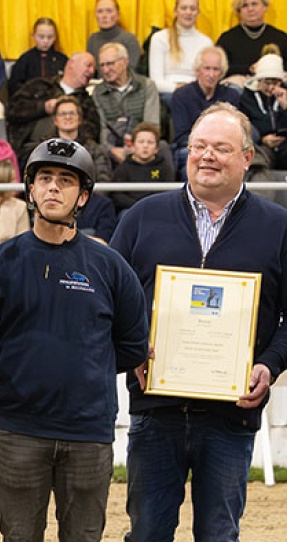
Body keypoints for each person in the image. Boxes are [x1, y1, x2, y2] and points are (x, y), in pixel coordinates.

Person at [0, 137, 149, 541]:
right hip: (18, 431)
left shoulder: (110, 267)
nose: (54, 187)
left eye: (65, 180)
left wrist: (82, 371)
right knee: (19, 536)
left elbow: (132, 346)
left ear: (83, 196)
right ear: (31, 189)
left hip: (88, 433)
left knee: (84, 537)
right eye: (45, 179)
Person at [110, 102, 287, 542]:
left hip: (231, 418)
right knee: (147, 533)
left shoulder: (280, 226)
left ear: (247, 157)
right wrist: (132, 353)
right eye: (199, 146)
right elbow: (109, 303)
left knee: (219, 534)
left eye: (221, 148)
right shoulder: (140, 218)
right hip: (155, 413)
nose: (206, 156)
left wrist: (269, 364)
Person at [7, 52, 99, 170]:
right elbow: (12, 110)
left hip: (69, 155)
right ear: (71, 64)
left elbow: (93, 131)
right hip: (27, 151)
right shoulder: (40, 85)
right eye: (88, 65)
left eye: (93, 68)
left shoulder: (87, 102)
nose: (92, 71)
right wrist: (43, 107)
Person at [172, 47, 240, 178]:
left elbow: (233, 132)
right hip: (191, 148)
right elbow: (182, 136)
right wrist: (207, 148)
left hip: (223, 149)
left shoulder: (231, 96)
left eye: (216, 69)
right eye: (207, 68)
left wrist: (217, 149)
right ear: (198, 71)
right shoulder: (181, 95)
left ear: (222, 72)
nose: (211, 74)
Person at [92, 42, 160, 164]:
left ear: (124, 62)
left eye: (110, 64)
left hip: (142, 144)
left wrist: (136, 147)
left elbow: (152, 125)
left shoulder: (146, 85)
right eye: (102, 65)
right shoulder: (98, 91)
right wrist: (111, 149)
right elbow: (102, 128)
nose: (106, 70)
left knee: (163, 149)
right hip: (112, 146)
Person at [25, 95, 113, 189]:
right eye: (63, 114)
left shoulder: (95, 150)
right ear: (55, 120)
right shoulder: (42, 149)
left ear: (79, 119)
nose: (67, 117)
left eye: (72, 113)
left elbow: (103, 180)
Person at [148, 0, 213, 103]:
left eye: (193, 8)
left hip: (197, 91)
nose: (188, 12)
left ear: (198, 12)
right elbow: (155, 82)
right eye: (184, 8)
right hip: (169, 92)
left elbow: (208, 78)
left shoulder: (206, 42)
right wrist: (179, 87)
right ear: (175, 11)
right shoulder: (159, 38)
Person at [216, 0, 287, 86]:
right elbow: (218, 69)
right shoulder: (227, 39)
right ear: (239, 11)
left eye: (254, 4)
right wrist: (249, 69)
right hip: (237, 91)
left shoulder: (281, 38)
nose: (250, 9)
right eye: (245, 5)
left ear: (265, 7)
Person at [111, 122, 176, 213]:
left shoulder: (164, 167)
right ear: (133, 146)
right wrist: (138, 205)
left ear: (156, 148)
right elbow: (117, 196)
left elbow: (168, 193)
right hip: (131, 210)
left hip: (157, 210)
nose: (145, 146)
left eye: (150, 142)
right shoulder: (123, 168)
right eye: (141, 142)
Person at [238, 54, 287, 170]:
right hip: (260, 146)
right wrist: (263, 139)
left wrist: (285, 107)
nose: (271, 87)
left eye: (275, 83)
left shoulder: (285, 94)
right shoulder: (247, 98)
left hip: (285, 145)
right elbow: (245, 127)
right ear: (258, 81)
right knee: (257, 160)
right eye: (267, 82)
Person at [7, 18, 69, 98]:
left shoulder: (62, 59)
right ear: (33, 36)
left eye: (50, 37)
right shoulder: (25, 59)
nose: (45, 41)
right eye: (41, 37)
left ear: (55, 38)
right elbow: (14, 86)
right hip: (30, 102)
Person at [87, 0, 141, 72]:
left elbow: (130, 71)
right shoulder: (92, 40)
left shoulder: (129, 40)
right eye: (100, 11)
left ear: (118, 15)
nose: (104, 16)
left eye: (109, 11)